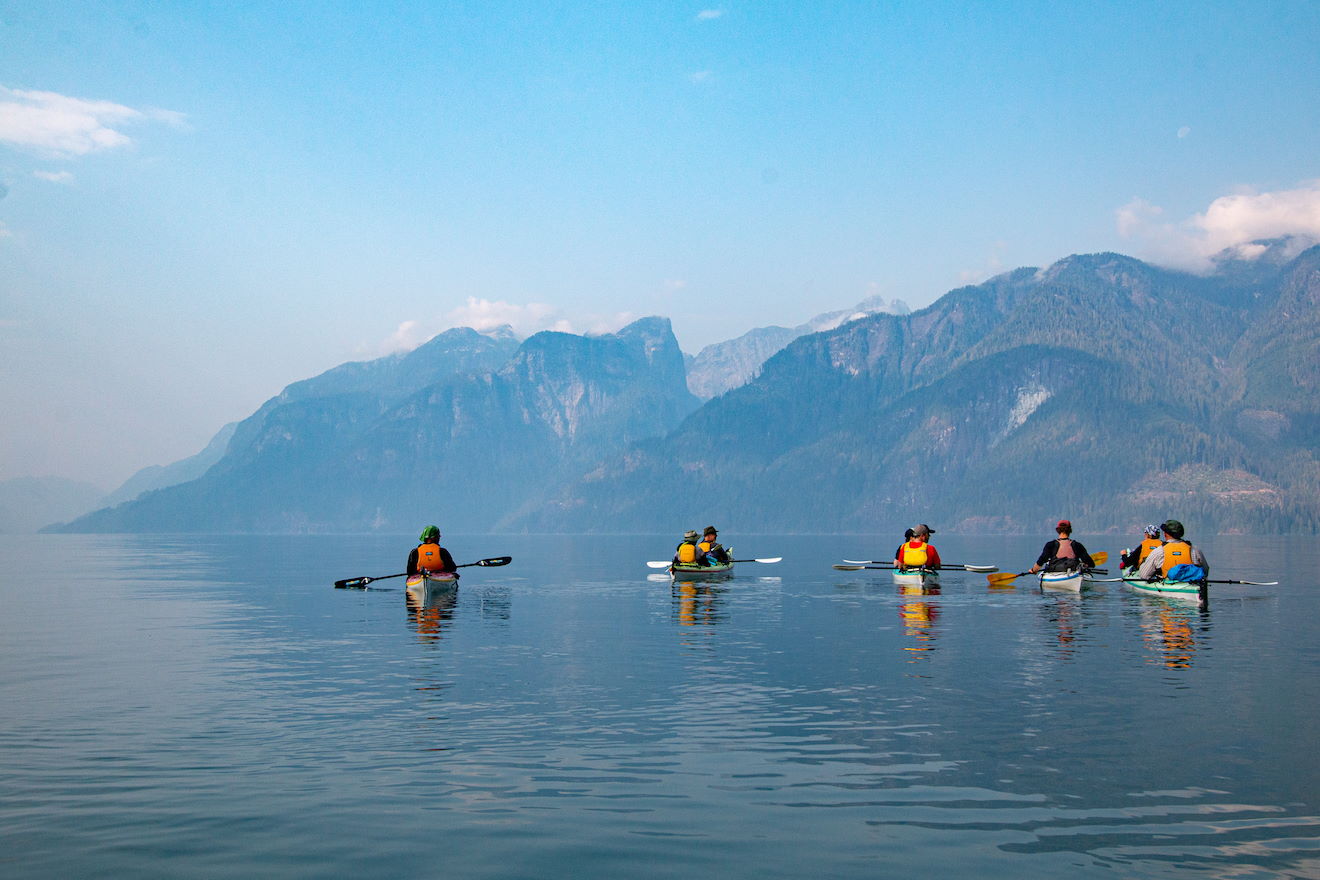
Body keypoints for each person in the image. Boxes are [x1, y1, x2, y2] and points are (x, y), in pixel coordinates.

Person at [1138, 520, 1209, 581]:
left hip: (1167, 585)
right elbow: (1205, 571)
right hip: (1192, 584)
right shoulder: (1195, 550)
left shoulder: (1159, 551)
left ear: (1165, 534)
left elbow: (1144, 575)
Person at [1028, 520, 1095, 574]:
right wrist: (1084, 565)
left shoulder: (1050, 544)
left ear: (1058, 530)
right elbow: (1091, 564)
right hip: (1073, 572)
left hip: (1055, 572)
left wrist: (1034, 570)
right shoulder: (1077, 545)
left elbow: (1041, 560)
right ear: (1070, 530)